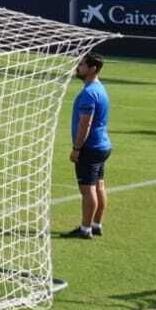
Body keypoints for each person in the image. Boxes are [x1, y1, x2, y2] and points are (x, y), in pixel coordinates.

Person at [60, 52, 111, 239]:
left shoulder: (89, 93)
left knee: (88, 189)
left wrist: (76, 148)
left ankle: (85, 229)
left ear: (93, 68)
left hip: (90, 148)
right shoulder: (100, 89)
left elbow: (85, 124)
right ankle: (96, 225)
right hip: (102, 146)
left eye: (82, 64)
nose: (78, 67)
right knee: (99, 186)